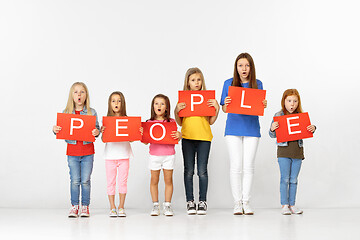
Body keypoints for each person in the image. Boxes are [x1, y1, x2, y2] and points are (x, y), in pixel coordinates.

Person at [220, 53, 267, 215]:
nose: (244, 69)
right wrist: (225, 104)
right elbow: (224, 109)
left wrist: (263, 104)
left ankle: (246, 202)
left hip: (252, 129)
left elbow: (258, 108)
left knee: (248, 166)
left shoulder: (257, 84)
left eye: (247, 65)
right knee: (236, 166)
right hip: (233, 129)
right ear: (236, 67)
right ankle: (237, 203)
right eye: (240, 65)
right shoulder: (229, 83)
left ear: (251, 67)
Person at [174, 67, 219, 215]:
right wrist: (176, 110)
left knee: (202, 171)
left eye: (199, 80)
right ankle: (190, 201)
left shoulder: (206, 99)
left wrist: (216, 109)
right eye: (193, 80)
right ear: (188, 82)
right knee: (189, 171)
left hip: (204, 138)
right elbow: (180, 122)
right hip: (187, 137)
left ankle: (202, 201)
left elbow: (211, 121)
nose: (196, 82)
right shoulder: (184, 100)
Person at [53, 82, 100, 217]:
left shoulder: (92, 112)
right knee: (74, 180)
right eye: (76, 92)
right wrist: (55, 130)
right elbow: (61, 130)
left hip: (88, 152)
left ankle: (85, 206)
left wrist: (96, 132)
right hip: (72, 152)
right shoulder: (66, 113)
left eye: (82, 92)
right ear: (71, 96)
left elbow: (96, 130)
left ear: (86, 95)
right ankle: (74, 206)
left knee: (85, 180)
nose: (79, 94)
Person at [269, 89, 316, 215]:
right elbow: (271, 135)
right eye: (289, 101)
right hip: (284, 152)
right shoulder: (279, 115)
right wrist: (272, 129)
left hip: (297, 152)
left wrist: (313, 128)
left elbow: (307, 131)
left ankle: (292, 204)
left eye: (295, 101)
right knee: (285, 179)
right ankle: (284, 204)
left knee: (294, 179)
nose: (292, 104)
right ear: (284, 102)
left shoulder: (301, 116)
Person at [142, 94, 181, 216]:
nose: (159, 106)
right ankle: (155, 205)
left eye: (162, 103)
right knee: (154, 180)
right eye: (156, 103)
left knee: (168, 180)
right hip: (154, 155)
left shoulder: (171, 122)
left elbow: (176, 136)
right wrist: (142, 134)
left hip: (169, 155)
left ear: (167, 107)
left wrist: (179, 135)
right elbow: (145, 141)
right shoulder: (149, 122)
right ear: (153, 106)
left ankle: (167, 205)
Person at [101, 91, 133, 217]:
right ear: (110, 103)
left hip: (124, 155)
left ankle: (121, 206)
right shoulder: (107, 120)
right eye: (113, 101)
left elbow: (131, 138)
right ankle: (112, 206)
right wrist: (103, 132)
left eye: (119, 101)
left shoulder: (126, 120)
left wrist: (137, 131)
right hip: (110, 156)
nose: (116, 103)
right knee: (111, 182)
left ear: (122, 103)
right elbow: (104, 140)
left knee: (123, 182)